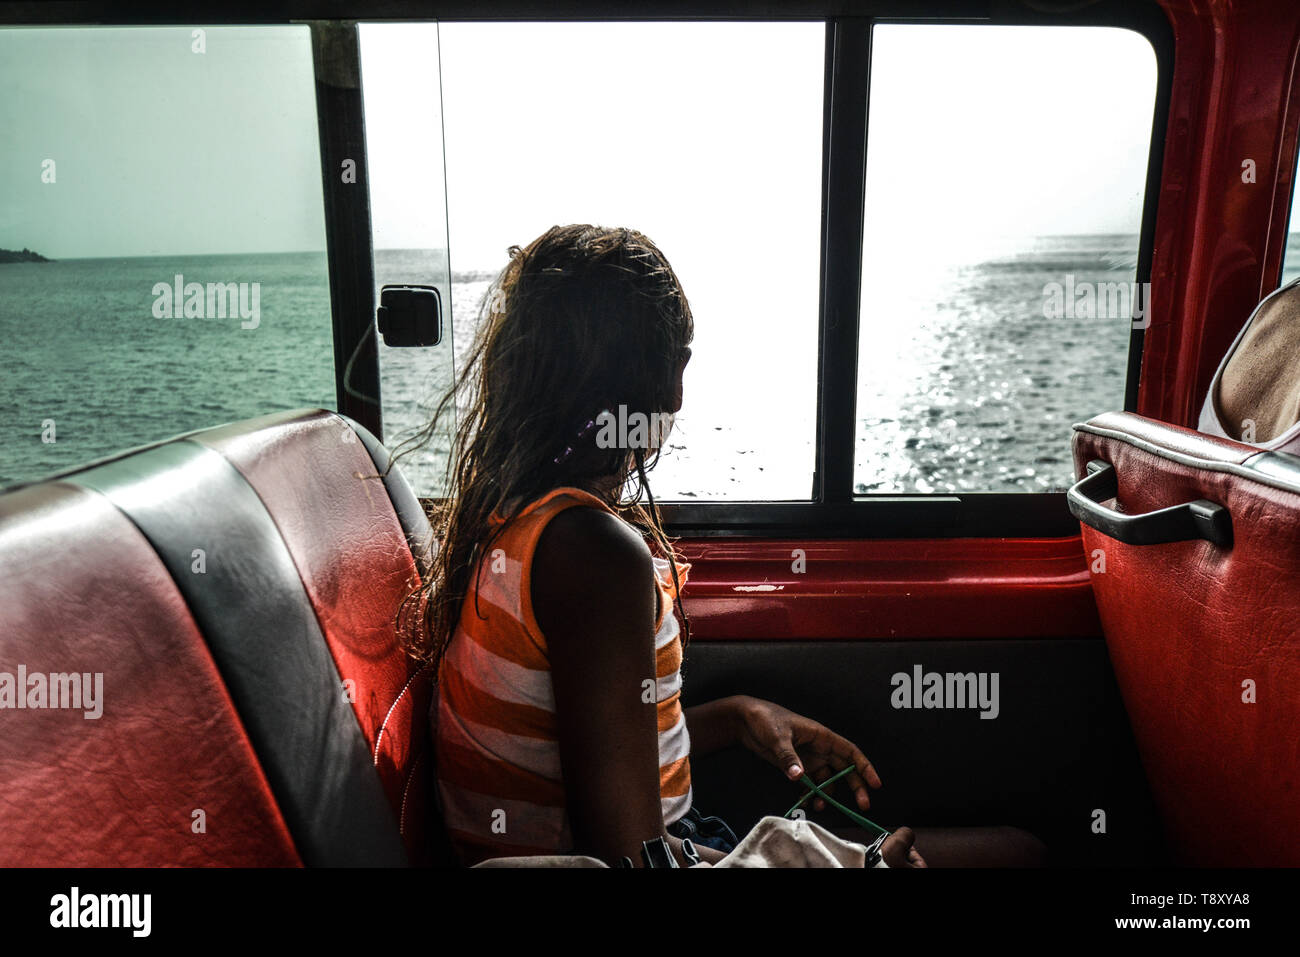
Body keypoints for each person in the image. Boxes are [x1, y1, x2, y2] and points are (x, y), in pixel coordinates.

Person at [399, 224, 953, 868]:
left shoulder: (513, 517)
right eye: (678, 357)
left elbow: (592, 745)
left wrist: (739, 716)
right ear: (659, 381)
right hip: (663, 856)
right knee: (1014, 852)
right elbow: (630, 858)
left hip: (668, 843)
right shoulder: (594, 556)